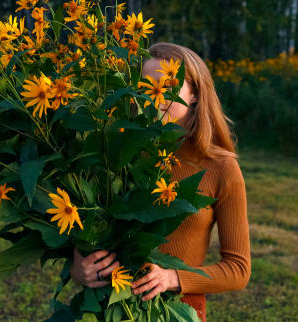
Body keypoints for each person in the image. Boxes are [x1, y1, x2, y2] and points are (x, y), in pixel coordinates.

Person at [69, 42, 251, 322]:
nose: (153, 97)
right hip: (108, 307)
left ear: (194, 94)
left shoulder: (222, 167)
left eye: (167, 85)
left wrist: (172, 277)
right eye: (144, 87)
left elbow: (238, 269)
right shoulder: (117, 153)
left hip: (176, 310)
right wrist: (78, 266)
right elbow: (90, 225)